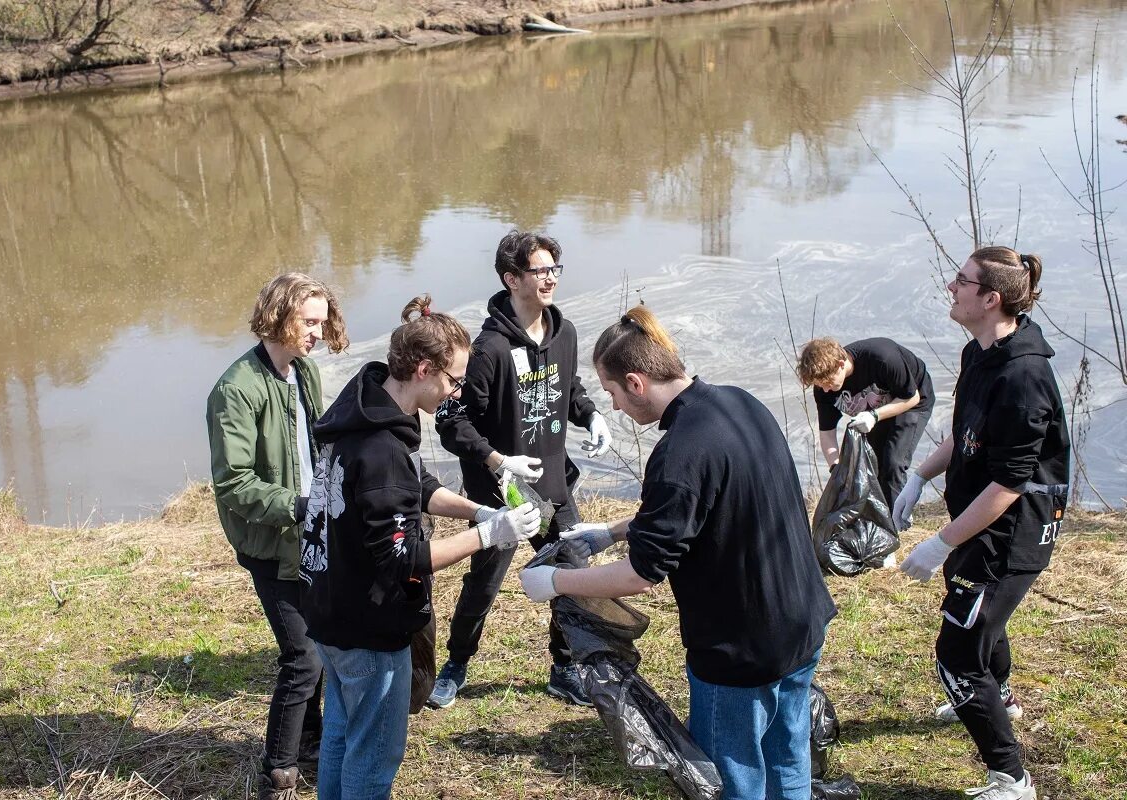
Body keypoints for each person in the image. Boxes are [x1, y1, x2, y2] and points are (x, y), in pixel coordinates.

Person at [519, 306, 838, 800]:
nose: (616, 408)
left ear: (636, 381)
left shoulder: (680, 450)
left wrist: (556, 583)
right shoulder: (739, 403)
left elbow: (641, 575)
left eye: (612, 394)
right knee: (787, 754)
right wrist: (615, 530)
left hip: (741, 648)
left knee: (731, 775)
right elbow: (713, 507)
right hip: (802, 619)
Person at [298, 295, 541, 800]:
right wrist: (489, 537)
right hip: (368, 629)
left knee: (343, 736)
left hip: (328, 614)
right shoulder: (382, 449)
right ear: (424, 369)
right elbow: (402, 559)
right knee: (373, 758)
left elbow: (419, 486)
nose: (455, 394)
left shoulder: (364, 410)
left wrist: (480, 511)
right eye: (452, 381)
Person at [894, 247, 1068, 800]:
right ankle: (1004, 699)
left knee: (958, 654)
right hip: (981, 521)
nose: (951, 286)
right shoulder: (981, 354)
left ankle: (1011, 779)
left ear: (990, 299)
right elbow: (967, 434)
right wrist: (920, 475)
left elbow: (1010, 483)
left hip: (1011, 531)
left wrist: (940, 543)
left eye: (962, 281)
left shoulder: (1024, 378)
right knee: (980, 620)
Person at [429, 229, 614, 709]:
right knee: (484, 583)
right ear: (512, 278)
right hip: (501, 493)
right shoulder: (487, 349)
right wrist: (496, 458)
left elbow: (567, 390)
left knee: (572, 568)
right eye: (540, 270)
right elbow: (453, 420)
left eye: (555, 268)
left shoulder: (565, 331)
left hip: (552, 484)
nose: (550, 278)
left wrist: (590, 415)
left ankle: (564, 666)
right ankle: (457, 663)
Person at [206, 272, 349, 800]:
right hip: (270, 541)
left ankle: (310, 738)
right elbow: (234, 483)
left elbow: (318, 441)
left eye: (321, 322)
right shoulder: (236, 389)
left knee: (319, 638)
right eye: (308, 322)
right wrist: (300, 504)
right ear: (278, 317)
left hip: (310, 529)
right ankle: (278, 772)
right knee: (303, 657)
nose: (316, 333)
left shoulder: (304, 372)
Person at [796, 336, 935, 509]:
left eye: (828, 382)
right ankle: (877, 519)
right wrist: (836, 468)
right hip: (876, 410)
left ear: (841, 364)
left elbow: (912, 397)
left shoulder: (882, 358)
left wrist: (874, 416)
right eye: (820, 385)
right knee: (872, 465)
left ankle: (896, 523)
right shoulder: (824, 389)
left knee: (893, 463)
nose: (825, 389)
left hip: (911, 402)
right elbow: (827, 434)